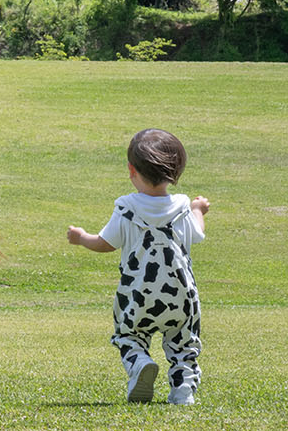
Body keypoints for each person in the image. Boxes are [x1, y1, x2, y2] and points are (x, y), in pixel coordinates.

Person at [67, 128, 210, 405]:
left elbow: (105, 243)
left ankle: (140, 363)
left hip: (137, 295)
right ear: (176, 171)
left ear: (131, 170)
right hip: (181, 298)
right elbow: (198, 233)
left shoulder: (126, 208)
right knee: (183, 344)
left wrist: (81, 238)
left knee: (129, 335)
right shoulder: (182, 207)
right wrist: (198, 210)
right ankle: (182, 391)